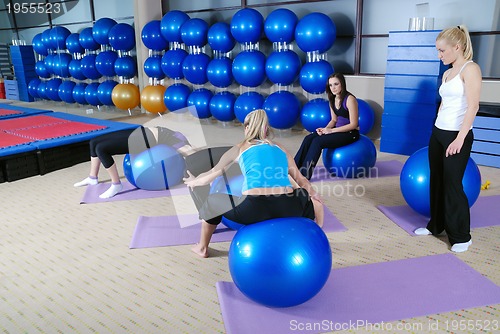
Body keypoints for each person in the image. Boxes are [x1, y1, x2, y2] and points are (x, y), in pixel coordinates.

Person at [184, 109, 324, 258]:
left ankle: (202, 248)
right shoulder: (280, 148)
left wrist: (194, 181)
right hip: (287, 207)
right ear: (266, 129)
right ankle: (310, 239)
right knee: (303, 196)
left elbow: (212, 174)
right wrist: (314, 195)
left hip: (254, 209)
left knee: (213, 201)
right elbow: (301, 180)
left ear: (247, 128)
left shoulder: (239, 148)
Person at [414, 25, 482, 253]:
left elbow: (473, 106)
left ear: (457, 47)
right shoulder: (447, 72)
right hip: (439, 133)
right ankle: (436, 225)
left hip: (457, 135)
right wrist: (436, 128)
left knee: (453, 185)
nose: (439, 55)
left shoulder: (470, 69)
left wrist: (460, 138)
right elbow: (445, 103)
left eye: (442, 51)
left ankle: (462, 236)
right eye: (438, 51)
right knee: (437, 181)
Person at [74, 126, 193, 198]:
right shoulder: (177, 136)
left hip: (147, 140)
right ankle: (92, 178)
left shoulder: (179, 143)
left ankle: (116, 185)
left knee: (101, 149)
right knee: (93, 142)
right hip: (143, 131)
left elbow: (193, 155)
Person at [294, 73, 360, 179]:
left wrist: (331, 131)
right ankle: (294, 169)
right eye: (330, 85)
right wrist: (325, 129)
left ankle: (304, 176)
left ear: (342, 84)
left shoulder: (350, 99)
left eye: (336, 84)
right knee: (308, 138)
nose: (333, 88)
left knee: (317, 142)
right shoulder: (332, 99)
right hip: (336, 130)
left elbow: (353, 124)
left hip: (350, 133)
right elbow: (334, 120)